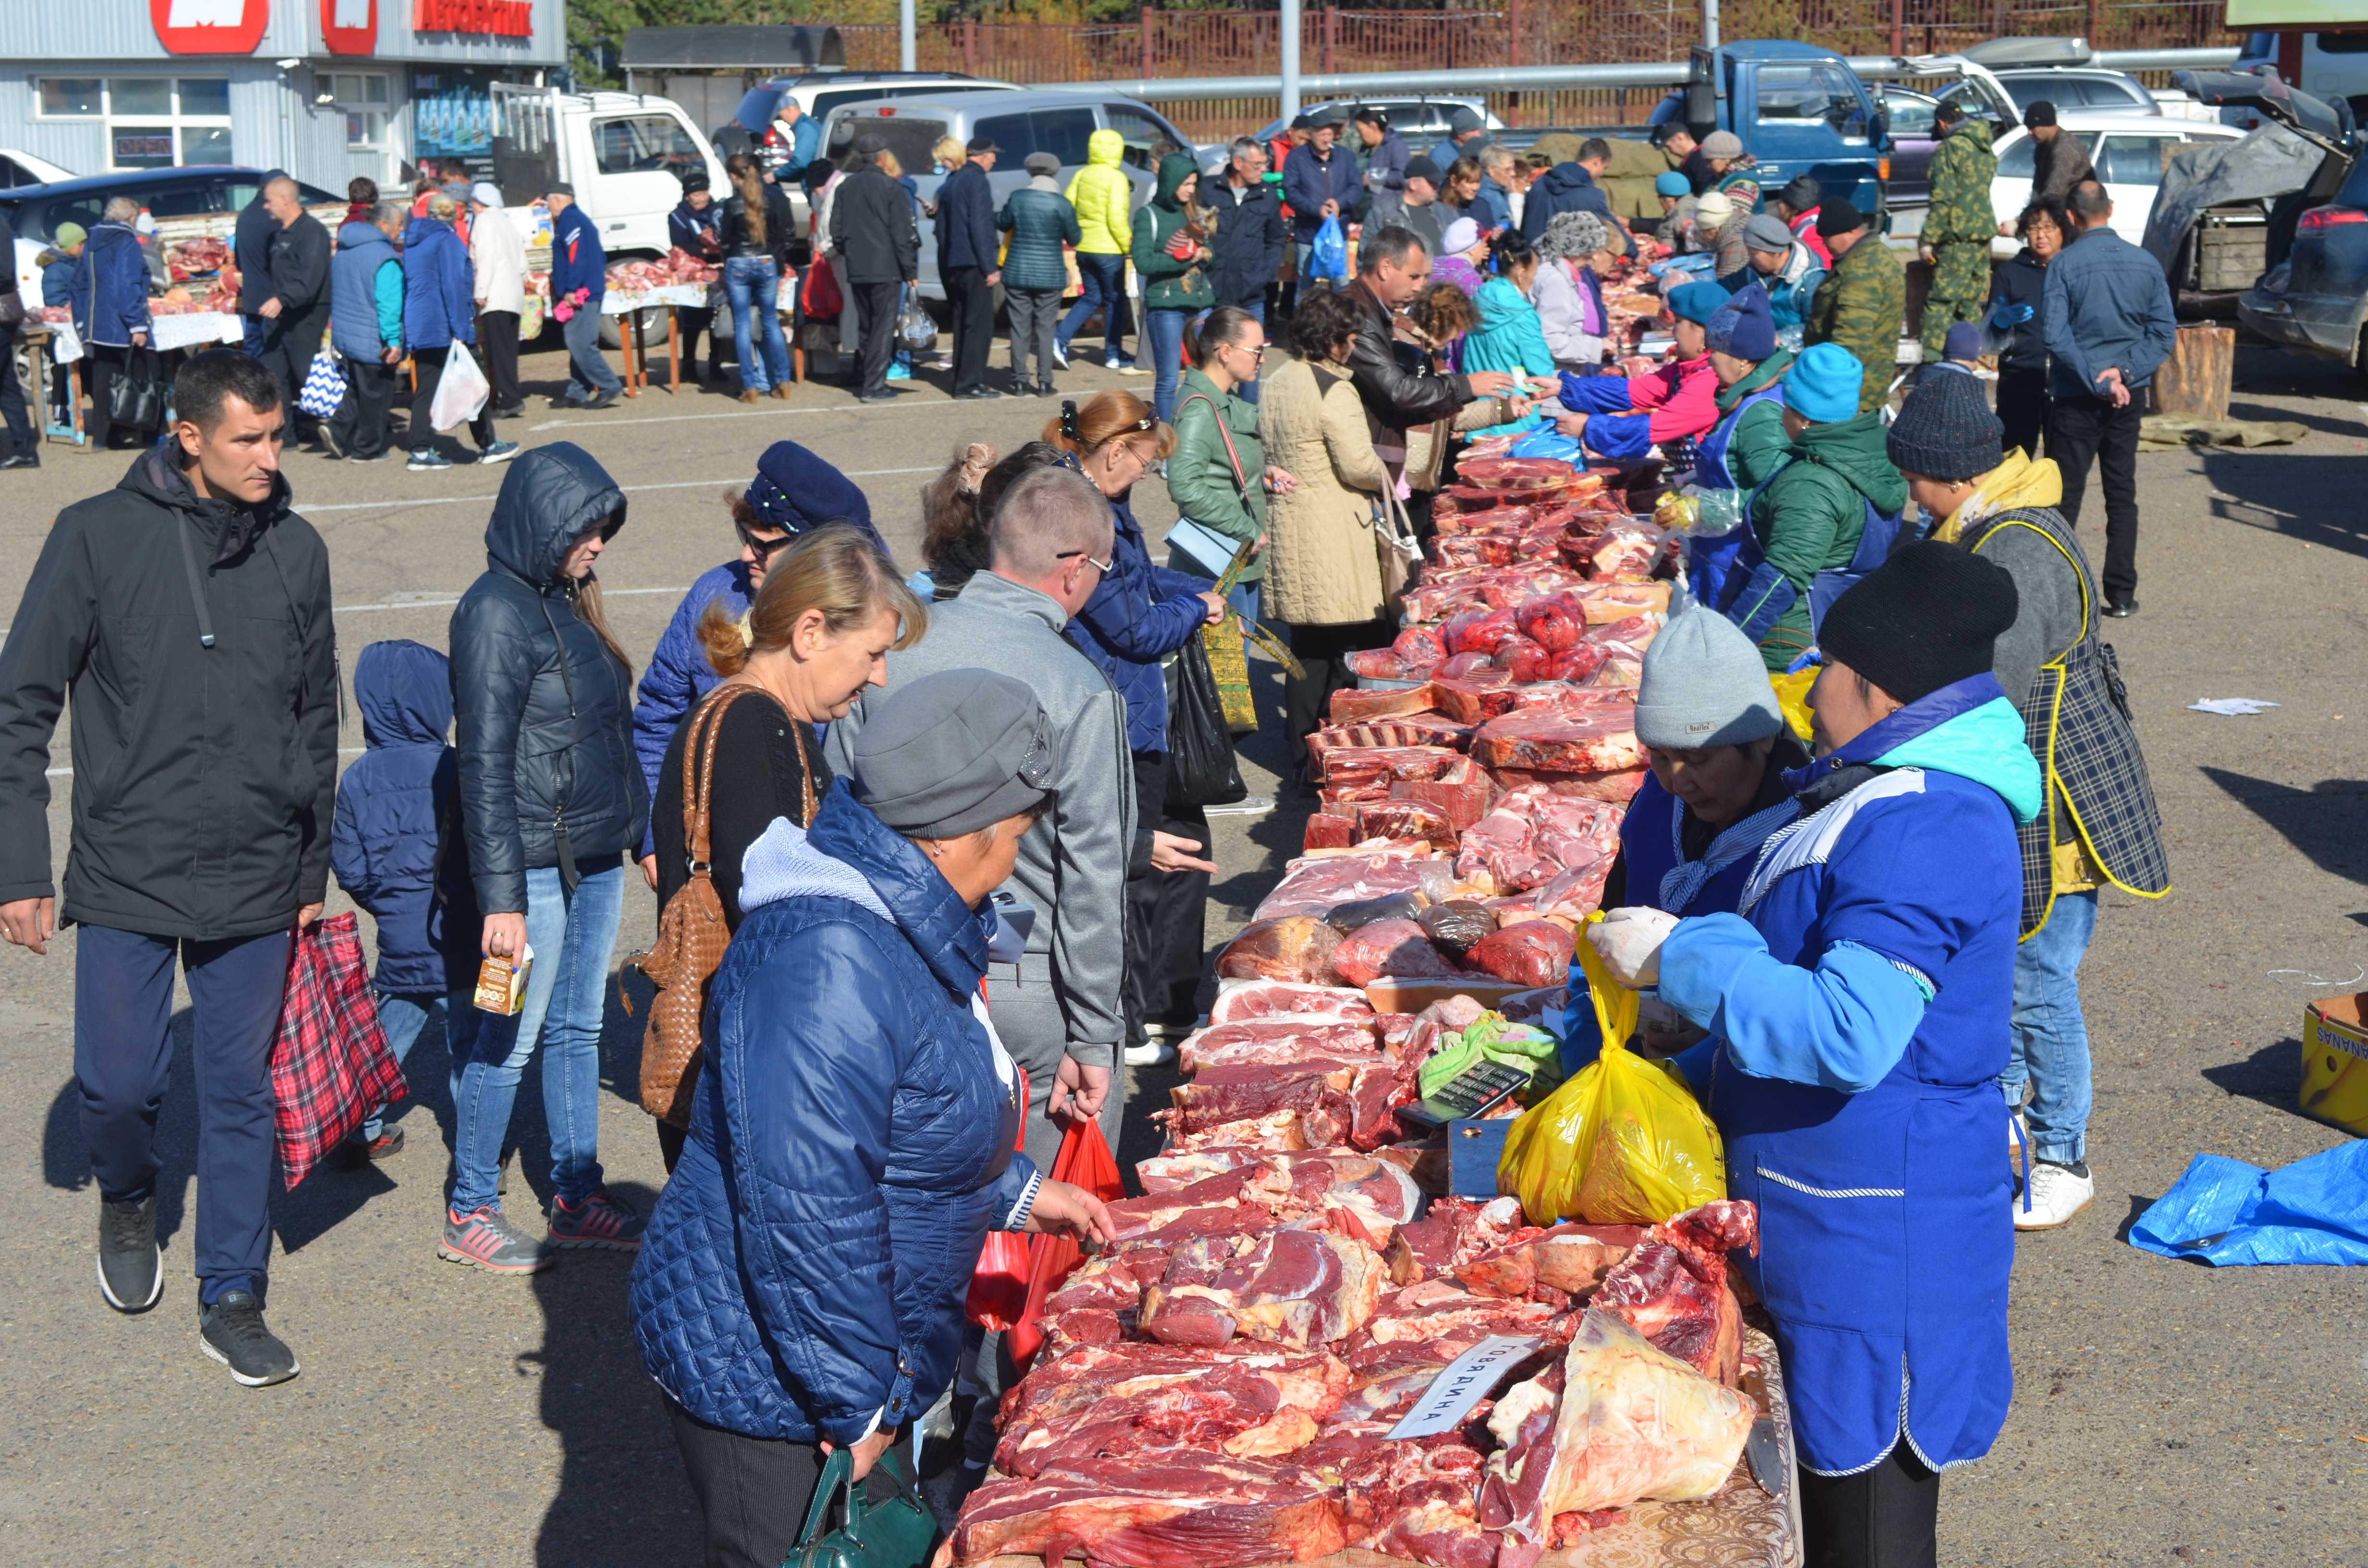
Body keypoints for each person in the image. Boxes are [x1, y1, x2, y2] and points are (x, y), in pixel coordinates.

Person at [1589, 543, 2034, 1568]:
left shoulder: (1931, 820)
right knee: (1830, 1514)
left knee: (1870, 1532)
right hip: (1827, 1206)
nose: (1809, 688)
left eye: (1822, 668)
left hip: (1881, 1234)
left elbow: (1849, 1032)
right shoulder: (1880, 790)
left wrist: (1684, 954)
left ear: (1870, 686)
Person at [631, 666, 1116, 1568]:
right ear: (955, 835)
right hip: (771, 1373)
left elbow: (897, 1122)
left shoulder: (892, 921)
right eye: (1013, 836)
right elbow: (804, 1205)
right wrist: (854, 1405)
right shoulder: (829, 958)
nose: (1013, 860)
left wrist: (1013, 1192)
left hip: (833, 1351)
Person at [0, 351, 334, 1387]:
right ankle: (127, 1193)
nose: (270, 459)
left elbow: (318, 719)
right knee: (118, 1085)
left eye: (277, 437)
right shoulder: (94, 537)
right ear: (189, 437)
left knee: (238, 1094)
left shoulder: (298, 549)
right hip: (127, 869)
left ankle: (229, 1292)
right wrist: (20, 866)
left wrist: (310, 877)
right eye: (249, 440)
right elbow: (19, 708)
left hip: (257, 875)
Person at [823, 464, 1136, 1257]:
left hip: (885, 969)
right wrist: (1096, 1037)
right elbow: (1094, 875)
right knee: (1027, 1240)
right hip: (1020, 990)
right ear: (1074, 568)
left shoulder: (893, 649)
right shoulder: (1080, 687)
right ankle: (994, 1380)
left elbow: (840, 802)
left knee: (904, 1204)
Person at [1886, 369, 2171, 1233]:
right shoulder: (1981, 524)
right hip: (2032, 774)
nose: (1908, 495)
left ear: (1949, 472)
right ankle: (1999, 1126)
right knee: (2010, 964)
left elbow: (1991, 695)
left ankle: (2061, 1154)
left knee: (2037, 977)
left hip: (2055, 790)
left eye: (1912, 478)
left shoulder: (2014, 549)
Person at [645, 527, 925, 1171]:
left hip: (746, 1078)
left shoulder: (752, 718)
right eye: (872, 652)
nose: (879, 675)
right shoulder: (752, 726)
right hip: (756, 1089)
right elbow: (779, 925)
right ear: (810, 634)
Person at [445, 443, 648, 1275]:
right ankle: (469, 1206)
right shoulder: (492, 611)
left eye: (603, 526)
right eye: (586, 527)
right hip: (527, 872)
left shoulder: (569, 601)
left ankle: (575, 1194)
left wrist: (640, 838)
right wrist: (502, 899)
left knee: (579, 1027)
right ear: (545, 522)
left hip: (594, 856)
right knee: (511, 1030)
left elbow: (609, 733)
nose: (598, 542)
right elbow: (482, 762)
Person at [1046, 392, 1226, 1062]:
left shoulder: (1099, 505)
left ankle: (1144, 1013)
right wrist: (1194, 610)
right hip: (1114, 709)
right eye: (1148, 462)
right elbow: (1134, 629)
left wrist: (1185, 589)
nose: (1149, 475)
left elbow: (1135, 583)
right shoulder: (1087, 515)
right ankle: (1126, 1022)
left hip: (1119, 703)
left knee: (1143, 860)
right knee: (1129, 868)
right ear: (1115, 450)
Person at [633, 441, 889, 885]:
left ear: (816, 551)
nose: (746, 555)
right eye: (745, 538)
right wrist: (657, 839)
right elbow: (657, 718)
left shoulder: (871, 621)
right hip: (716, 868)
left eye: (764, 545)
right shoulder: (713, 595)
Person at [329, 639, 481, 1164]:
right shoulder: (458, 767)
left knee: (381, 1042)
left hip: (400, 939)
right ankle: (479, 1154)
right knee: (473, 1050)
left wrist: (391, 905)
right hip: (464, 936)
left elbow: (348, 867)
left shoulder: (358, 779)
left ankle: (357, 1129)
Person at [1260, 287, 1396, 780]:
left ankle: (1299, 754)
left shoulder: (1276, 379)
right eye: (1350, 336)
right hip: (1333, 531)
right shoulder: (1333, 389)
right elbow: (1358, 465)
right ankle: (1330, 759)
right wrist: (1388, 469)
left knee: (1305, 651)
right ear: (1334, 339)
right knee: (1347, 648)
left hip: (1290, 523)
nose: (1354, 344)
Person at [1613, 605, 1807, 932]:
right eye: (1659, 756)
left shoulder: (1806, 839)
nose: (1677, 782)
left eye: (1698, 759)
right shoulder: (1652, 808)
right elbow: (1608, 920)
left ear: (1763, 740)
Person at [1719, 341, 1909, 672]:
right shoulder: (1874, 455)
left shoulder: (1812, 483)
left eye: (1786, 406)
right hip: (1845, 618)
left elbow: (1782, 577)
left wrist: (1727, 644)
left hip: (1788, 638)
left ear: (1805, 418)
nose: (1781, 416)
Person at [2042, 180, 2173, 620]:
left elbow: (2056, 336)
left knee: (2065, 499)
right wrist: (2126, 373)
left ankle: (2061, 597)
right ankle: (2121, 593)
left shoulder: (2063, 265)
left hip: (2078, 395)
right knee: (2121, 493)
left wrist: (2098, 379)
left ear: (2072, 218)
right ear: (2111, 210)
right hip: (2127, 397)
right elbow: (2163, 333)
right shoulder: (2147, 263)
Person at [1339, 226, 1526, 490]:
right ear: (1385, 268)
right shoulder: (1361, 316)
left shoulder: (1379, 315)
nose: (1419, 288)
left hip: (1396, 466)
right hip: (1388, 468)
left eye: (1424, 278)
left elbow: (1444, 412)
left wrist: (1503, 409)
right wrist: (1467, 385)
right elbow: (1398, 392)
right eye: (1414, 276)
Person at [1168, 306, 1289, 623]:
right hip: (1216, 562)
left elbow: (1216, 466)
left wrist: (1262, 475)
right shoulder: (1200, 410)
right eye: (1257, 351)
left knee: (1236, 669)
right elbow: (1185, 484)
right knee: (1227, 672)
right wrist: (1246, 528)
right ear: (1225, 352)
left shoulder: (1221, 401)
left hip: (1233, 557)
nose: (1262, 359)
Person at [1685, 283, 1795, 613]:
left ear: (1743, 359)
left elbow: (1775, 494)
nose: (1709, 358)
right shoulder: (1740, 399)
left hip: (1734, 568)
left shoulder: (1760, 415)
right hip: (1715, 559)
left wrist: (1705, 510)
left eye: (1715, 350)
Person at [1552, 278, 1726, 465]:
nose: (1674, 332)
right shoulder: (1685, 370)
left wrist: (1589, 428)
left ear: (1702, 332)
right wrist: (1565, 387)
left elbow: (1654, 427)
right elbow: (1631, 392)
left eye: (1679, 323)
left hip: (1719, 490)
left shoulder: (1710, 381)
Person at [402, 191, 514, 470]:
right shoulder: (448, 240)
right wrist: (461, 328)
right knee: (474, 383)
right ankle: (488, 444)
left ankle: (419, 448)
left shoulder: (413, 242)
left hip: (421, 321)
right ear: (455, 214)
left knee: (427, 388)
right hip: (444, 323)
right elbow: (453, 286)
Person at [832, 135, 921, 404]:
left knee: (867, 326)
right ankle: (874, 386)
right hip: (886, 268)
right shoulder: (890, 187)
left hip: (858, 266)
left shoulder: (846, 186)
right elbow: (902, 234)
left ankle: (867, 377)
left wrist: (852, 254)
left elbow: (836, 232)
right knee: (883, 327)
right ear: (882, 158)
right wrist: (910, 271)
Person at [1131, 156, 1216, 425]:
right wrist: (1181, 259)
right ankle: (1166, 446)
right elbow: (1143, 262)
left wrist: (1206, 254)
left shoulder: (1194, 213)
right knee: (1168, 379)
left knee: (1208, 374)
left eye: (1194, 184)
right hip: (1166, 306)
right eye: (1186, 184)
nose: (1191, 190)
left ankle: (1203, 434)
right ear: (1170, 182)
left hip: (1201, 302)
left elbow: (1212, 255)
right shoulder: (1149, 215)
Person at [1803, 197, 1904, 417]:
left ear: (1850, 232)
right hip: (1858, 386)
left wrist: (1826, 387)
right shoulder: (1874, 256)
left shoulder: (1862, 269)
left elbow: (1850, 341)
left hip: (1848, 393)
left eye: (1828, 237)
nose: (1825, 244)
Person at [324, 202, 406, 465]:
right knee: (377, 395)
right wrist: (393, 341)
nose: (401, 230)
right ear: (384, 225)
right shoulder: (384, 256)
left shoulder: (345, 250)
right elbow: (389, 304)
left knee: (358, 388)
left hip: (349, 333)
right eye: (399, 224)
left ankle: (337, 431)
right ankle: (367, 448)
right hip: (374, 337)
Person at [1920, 100, 1999, 368]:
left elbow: (1943, 198)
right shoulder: (1984, 146)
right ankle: (1968, 359)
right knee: (1969, 302)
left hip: (1957, 235)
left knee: (1942, 301)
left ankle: (1933, 365)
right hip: (1981, 235)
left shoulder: (1951, 148)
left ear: (1942, 123)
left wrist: (1928, 239)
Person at [71, 196, 154, 451]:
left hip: (98, 324)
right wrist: (136, 325)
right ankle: (149, 434)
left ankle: (103, 438)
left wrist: (83, 320)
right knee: (142, 375)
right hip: (121, 321)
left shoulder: (93, 242)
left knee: (104, 380)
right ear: (131, 218)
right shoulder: (126, 241)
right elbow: (127, 283)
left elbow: (78, 283)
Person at [1987, 196, 2067, 460]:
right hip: (2018, 382)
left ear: (2063, 230)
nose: (2040, 235)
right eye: (2033, 229)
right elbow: (1989, 337)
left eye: (2048, 227)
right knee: (2013, 462)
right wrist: (2000, 321)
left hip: (2066, 384)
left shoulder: (2074, 270)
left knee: (2063, 467)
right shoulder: (2009, 273)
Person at [998, 153, 1082, 399]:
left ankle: (1020, 381)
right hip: (1050, 274)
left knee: (1019, 328)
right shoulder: (1061, 203)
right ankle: (1045, 382)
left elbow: (1003, 224)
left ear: (1030, 172)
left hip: (1018, 272)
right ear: (1055, 173)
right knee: (1046, 329)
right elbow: (1075, 238)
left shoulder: (1018, 198)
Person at [254, 178, 333, 438]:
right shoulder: (278, 235)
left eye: (269, 200)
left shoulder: (313, 232)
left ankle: (341, 427)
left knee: (308, 376)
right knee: (274, 375)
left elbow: (311, 279)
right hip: (281, 316)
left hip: (306, 316)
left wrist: (283, 299)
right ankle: (283, 436)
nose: (266, 206)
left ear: (285, 200)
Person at [1462, 233, 1559, 435]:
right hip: (1514, 414)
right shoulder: (1522, 314)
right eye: (1534, 273)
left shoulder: (1479, 299)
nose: (1534, 280)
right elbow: (1540, 368)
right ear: (1522, 273)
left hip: (1474, 414)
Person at [718, 152, 796, 404]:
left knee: (742, 324)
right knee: (771, 322)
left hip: (739, 262)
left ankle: (750, 385)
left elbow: (726, 240)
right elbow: (783, 236)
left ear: (734, 176)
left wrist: (729, 258)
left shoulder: (732, 204)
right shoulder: (774, 198)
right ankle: (783, 381)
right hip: (766, 262)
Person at [1058, 128, 1137, 372]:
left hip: (1084, 247)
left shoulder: (1082, 174)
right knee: (1115, 301)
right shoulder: (1117, 178)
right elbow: (1116, 218)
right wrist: (1128, 246)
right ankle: (1113, 354)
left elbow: (1067, 207)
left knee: (1091, 297)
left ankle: (1059, 338)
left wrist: (1075, 239)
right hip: (1109, 250)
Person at [936, 135, 1002, 400]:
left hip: (957, 260)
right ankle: (970, 383)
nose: (995, 160)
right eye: (993, 155)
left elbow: (945, 227)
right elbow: (980, 226)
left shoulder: (955, 181)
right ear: (984, 156)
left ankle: (961, 380)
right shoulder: (976, 180)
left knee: (963, 322)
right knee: (979, 326)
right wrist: (990, 267)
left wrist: (949, 264)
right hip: (974, 261)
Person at [545, 182, 621, 411]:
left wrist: (571, 288)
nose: (548, 208)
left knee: (578, 340)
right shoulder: (577, 219)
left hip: (582, 292)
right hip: (587, 288)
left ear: (557, 199)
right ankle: (577, 393)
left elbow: (576, 256)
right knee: (579, 339)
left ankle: (609, 384)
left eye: (548, 202)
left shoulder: (570, 220)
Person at [1208, 137, 1285, 329]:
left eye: (1265, 163)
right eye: (1258, 164)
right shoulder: (1209, 189)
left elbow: (1276, 239)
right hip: (1211, 291)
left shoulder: (1267, 194)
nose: (1264, 169)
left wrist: (1266, 274)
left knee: (1251, 353)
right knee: (1208, 353)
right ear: (1238, 163)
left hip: (1251, 293)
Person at [469, 184, 527, 420]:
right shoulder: (506, 222)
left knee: (497, 352)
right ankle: (510, 397)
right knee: (509, 351)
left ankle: (509, 400)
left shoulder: (483, 222)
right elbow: (523, 264)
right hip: (513, 293)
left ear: (480, 202)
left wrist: (480, 289)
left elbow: (485, 257)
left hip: (495, 294)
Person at [1283, 115, 1365, 282]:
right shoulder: (1297, 158)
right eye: (1322, 135)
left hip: (1338, 233)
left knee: (1342, 284)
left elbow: (1356, 188)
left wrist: (1339, 203)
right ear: (1311, 134)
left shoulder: (1344, 156)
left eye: (1329, 134)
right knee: (1305, 286)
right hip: (1308, 232)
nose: (1326, 139)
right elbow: (1291, 192)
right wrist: (1316, 209)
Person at [1533, 210, 1615, 372]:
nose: (1592, 261)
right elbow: (1550, 340)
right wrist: (1596, 346)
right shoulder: (1555, 281)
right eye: (1586, 256)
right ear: (1572, 252)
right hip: (1554, 374)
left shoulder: (1558, 274)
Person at [667, 167, 724, 386]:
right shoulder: (678, 216)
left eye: (704, 193)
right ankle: (689, 364)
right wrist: (704, 251)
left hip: (719, 271)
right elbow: (680, 245)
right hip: (692, 273)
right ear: (687, 196)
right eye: (696, 195)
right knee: (692, 319)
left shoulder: (719, 210)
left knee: (717, 318)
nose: (701, 198)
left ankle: (715, 363)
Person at [1734, 212, 1826, 335]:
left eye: (1755, 253)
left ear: (1775, 252)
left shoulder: (1810, 281)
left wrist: (1781, 339)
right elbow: (1723, 289)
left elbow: (1817, 328)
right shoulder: (1752, 271)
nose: (1750, 257)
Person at [1520, 137, 1616, 245]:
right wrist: (1635, 253)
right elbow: (1612, 228)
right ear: (1597, 162)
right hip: (1560, 256)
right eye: (1604, 168)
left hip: (1531, 253)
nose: (1602, 174)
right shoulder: (1591, 196)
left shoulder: (1540, 182)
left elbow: (1526, 220)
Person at [233, 170, 287, 358]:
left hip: (252, 297)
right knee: (273, 357)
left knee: (253, 354)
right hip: (273, 299)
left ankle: (248, 388)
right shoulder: (273, 218)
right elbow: (283, 262)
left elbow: (239, 261)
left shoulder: (246, 214)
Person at [2023, 102, 2095, 208]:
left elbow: (2054, 191)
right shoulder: (2042, 147)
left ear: (2046, 124)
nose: (2029, 133)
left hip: (2079, 211)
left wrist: (2033, 216)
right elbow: (2038, 187)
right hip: (2059, 209)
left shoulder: (2065, 148)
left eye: (2033, 127)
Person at [1354, 108, 1409, 225]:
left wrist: (1373, 177)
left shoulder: (1396, 146)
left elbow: (1402, 176)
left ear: (1373, 126)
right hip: (1365, 212)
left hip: (1389, 213)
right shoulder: (1365, 149)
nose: (1359, 136)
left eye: (1361, 130)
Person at [1771, 174, 1830, 267]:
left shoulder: (1811, 231)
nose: (1778, 204)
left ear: (1796, 208)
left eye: (1782, 201)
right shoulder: (1804, 224)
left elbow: (1824, 267)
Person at [1429, 216, 1491, 298]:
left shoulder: (1431, 266)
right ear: (1471, 250)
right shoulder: (1470, 277)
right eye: (1483, 243)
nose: (1485, 246)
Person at [1400, 154, 1449, 255]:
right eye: (1432, 181)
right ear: (1413, 183)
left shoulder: (1447, 213)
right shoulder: (1382, 214)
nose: (1437, 186)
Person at [768, 95, 821, 184]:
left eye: (781, 115)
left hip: (816, 185)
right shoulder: (808, 124)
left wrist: (775, 175)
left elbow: (800, 163)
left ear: (789, 109)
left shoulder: (805, 128)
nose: (783, 120)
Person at [1428, 104, 1491, 172]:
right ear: (1460, 134)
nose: (1478, 135)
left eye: (1478, 130)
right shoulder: (1439, 157)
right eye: (1473, 131)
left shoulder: (1481, 148)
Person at [1471, 147, 1520, 233]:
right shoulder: (1487, 196)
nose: (1513, 174)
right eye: (1507, 170)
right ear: (1491, 169)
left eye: (1513, 169)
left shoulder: (1499, 192)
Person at [1684, 128, 1746, 195]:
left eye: (1710, 161)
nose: (1708, 166)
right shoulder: (1716, 179)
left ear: (1727, 159)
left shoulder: (1743, 184)